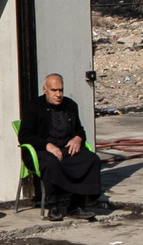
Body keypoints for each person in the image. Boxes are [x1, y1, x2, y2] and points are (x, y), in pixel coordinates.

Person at [23, 73, 105, 221]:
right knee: (51, 163)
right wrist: (47, 145)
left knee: (91, 160)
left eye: (60, 90)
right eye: (54, 90)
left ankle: (77, 205)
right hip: (41, 150)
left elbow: (80, 130)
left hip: (66, 148)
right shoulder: (34, 107)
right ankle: (53, 206)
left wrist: (78, 138)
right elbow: (24, 135)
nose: (58, 94)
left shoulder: (70, 105)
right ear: (45, 90)